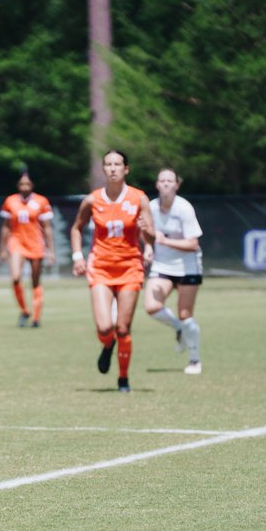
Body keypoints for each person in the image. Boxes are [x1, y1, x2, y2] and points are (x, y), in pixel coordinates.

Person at [70, 150, 155, 392]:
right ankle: (108, 346)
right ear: (104, 169)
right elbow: (77, 228)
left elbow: (152, 235)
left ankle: (123, 378)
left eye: (118, 164)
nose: (113, 168)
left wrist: (147, 239)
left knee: (123, 328)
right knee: (105, 328)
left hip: (130, 267)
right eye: (108, 164)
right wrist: (77, 256)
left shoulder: (139, 199)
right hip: (101, 267)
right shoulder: (92, 199)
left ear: (126, 169)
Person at [143, 168, 204, 374]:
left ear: (177, 185)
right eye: (162, 180)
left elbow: (193, 244)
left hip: (188, 265)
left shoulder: (184, 208)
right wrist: (150, 248)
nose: (166, 184)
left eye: (170, 180)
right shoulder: (151, 207)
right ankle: (178, 328)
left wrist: (165, 240)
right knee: (152, 307)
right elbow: (148, 234)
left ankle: (195, 360)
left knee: (186, 314)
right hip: (163, 265)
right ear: (157, 185)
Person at [0, 172, 55, 327]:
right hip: (16, 242)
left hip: (36, 244)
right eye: (22, 184)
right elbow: (5, 226)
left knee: (35, 281)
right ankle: (24, 310)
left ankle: (36, 317)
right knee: (16, 277)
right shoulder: (10, 201)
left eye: (27, 184)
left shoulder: (41, 201)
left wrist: (51, 250)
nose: (25, 187)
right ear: (18, 186)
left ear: (32, 186)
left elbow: (47, 228)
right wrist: (2, 249)